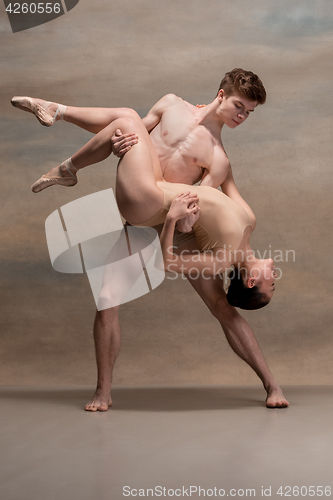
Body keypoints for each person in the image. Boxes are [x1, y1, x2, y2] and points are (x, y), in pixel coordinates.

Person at [12, 69, 289, 409]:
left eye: (249, 112)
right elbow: (131, 132)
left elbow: (198, 201)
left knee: (222, 306)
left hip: (173, 222)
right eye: (239, 106)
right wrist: (115, 144)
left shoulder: (219, 159)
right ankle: (103, 391)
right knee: (107, 297)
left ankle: (272, 385)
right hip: (145, 211)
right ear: (221, 94)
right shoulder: (171, 104)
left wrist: (185, 222)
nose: (242, 116)